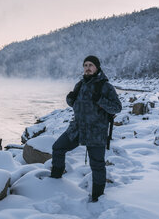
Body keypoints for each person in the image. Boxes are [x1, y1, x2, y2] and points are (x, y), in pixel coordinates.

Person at [50, 55, 122, 202]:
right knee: (58, 148)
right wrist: (70, 99)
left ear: (97, 67)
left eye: (90, 65)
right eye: (85, 65)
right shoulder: (80, 84)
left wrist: (100, 100)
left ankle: (97, 197)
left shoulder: (105, 86)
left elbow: (117, 108)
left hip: (96, 131)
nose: (87, 68)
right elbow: (75, 103)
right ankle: (55, 181)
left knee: (97, 165)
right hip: (77, 128)